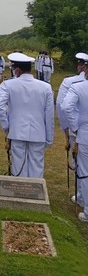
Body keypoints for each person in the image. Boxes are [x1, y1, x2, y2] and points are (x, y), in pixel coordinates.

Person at [0, 52, 54, 178]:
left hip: (16, 131)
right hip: (38, 132)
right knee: (37, 166)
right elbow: (49, 115)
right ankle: (35, 195)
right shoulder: (45, 87)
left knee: (18, 166)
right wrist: (49, 136)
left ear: (17, 70)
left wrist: (6, 126)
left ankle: (20, 195)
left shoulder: (8, 84)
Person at [57, 52, 88, 202]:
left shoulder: (72, 83)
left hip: (80, 131)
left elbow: (63, 106)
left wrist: (69, 128)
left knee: (82, 167)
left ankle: (83, 198)